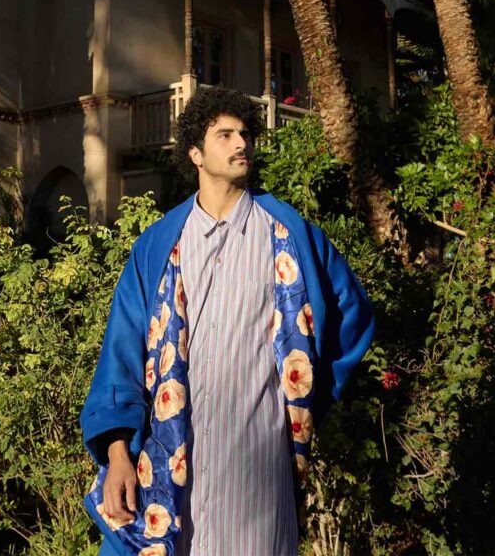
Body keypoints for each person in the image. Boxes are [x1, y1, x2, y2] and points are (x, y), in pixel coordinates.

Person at [81, 87, 375, 556]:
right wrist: (118, 453)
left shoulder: (288, 234)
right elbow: (121, 356)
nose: (241, 143)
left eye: (244, 134)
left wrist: (308, 399)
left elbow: (352, 317)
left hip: (259, 475)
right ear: (195, 153)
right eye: (225, 135)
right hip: (175, 470)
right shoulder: (159, 246)